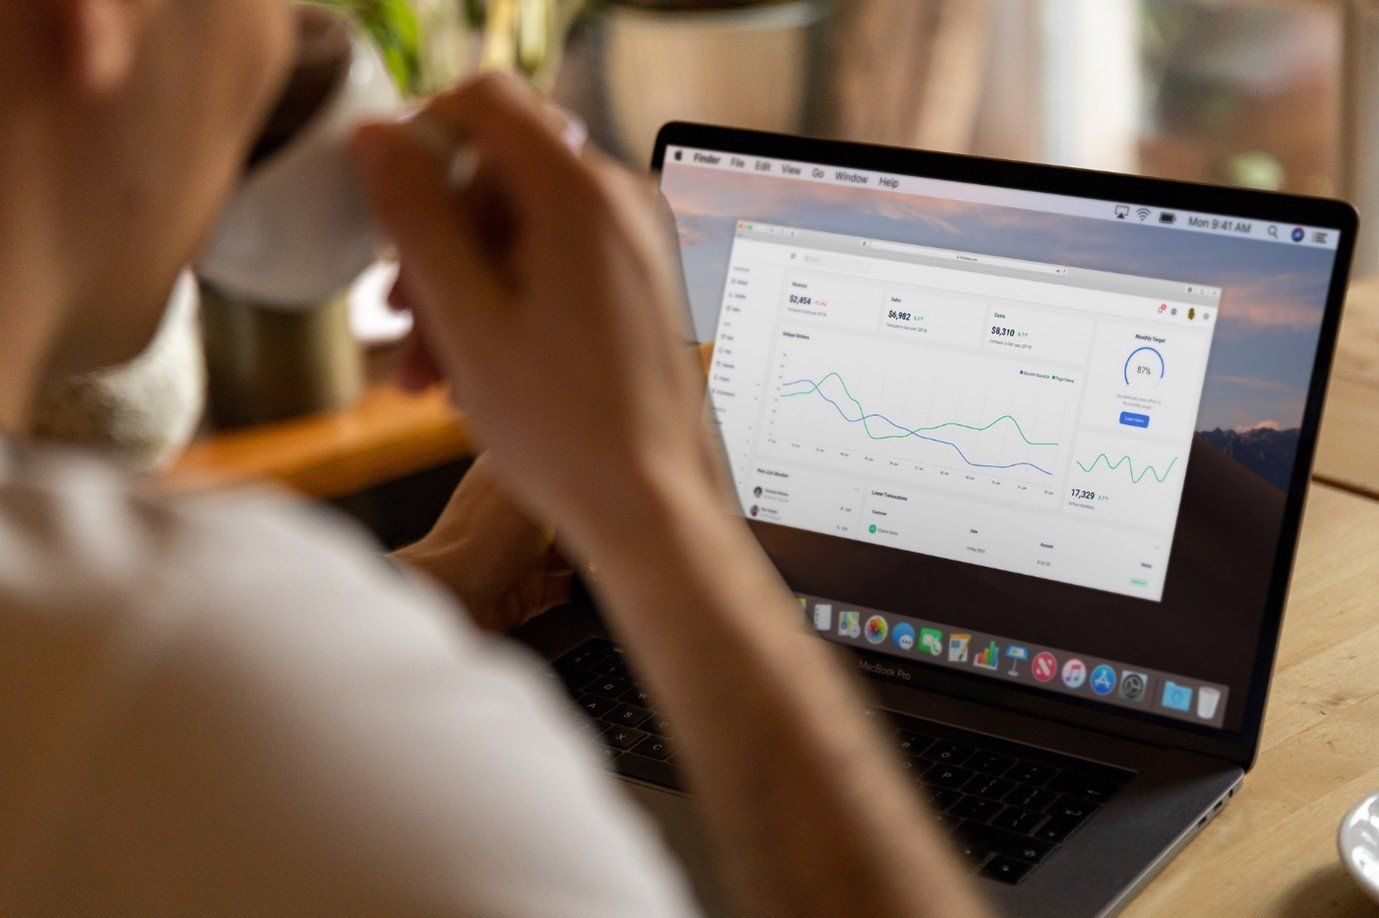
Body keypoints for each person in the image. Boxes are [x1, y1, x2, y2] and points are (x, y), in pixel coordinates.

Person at [0, 2, 986, 915]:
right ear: (104, 17)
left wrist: (440, 571)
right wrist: (657, 511)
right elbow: (196, 694)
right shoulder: (184, 662)